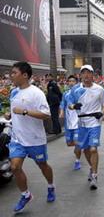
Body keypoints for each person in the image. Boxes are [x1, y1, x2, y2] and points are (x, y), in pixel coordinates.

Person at [8, 62, 56, 213]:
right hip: (17, 138)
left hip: (35, 139)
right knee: (14, 167)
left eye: (14, 73)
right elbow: (14, 111)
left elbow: (46, 115)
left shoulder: (36, 93)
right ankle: (26, 194)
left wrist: (24, 112)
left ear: (25, 75)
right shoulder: (14, 92)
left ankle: (50, 186)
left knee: (42, 164)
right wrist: (10, 115)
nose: (11, 75)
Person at [68, 65, 104, 190]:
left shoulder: (99, 89)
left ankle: (95, 175)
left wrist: (101, 113)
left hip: (94, 122)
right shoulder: (75, 89)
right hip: (82, 123)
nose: (86, 76)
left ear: (93, 75)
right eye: (83, 73)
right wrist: (74, 106)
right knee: (85, 149)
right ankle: (92, 167)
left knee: (93, 149)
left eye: (89, 73)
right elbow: (69, 104)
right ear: (80, 75)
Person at [59, 75, 81, 170]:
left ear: (76, 82)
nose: (71, 83)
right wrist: (61, 112)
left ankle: (77, 160)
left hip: (78, 122)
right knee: (69, 143)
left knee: (76, 142)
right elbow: (62, 104)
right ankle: (80, 146)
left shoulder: (80, 92)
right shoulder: (65, 93)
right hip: (69, 123)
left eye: (73, 81)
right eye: (70, 81)